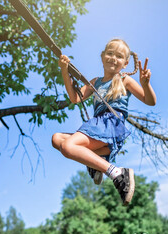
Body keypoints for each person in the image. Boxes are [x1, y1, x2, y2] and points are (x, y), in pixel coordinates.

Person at [51, 39, 156, 206]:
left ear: (126, 63)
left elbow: (150, 101)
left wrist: (146, 84)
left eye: (119, 56)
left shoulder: (124, 80)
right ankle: (98, 160)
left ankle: (117, 173)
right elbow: (75, 98)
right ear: (102, 57)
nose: (113, 58)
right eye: (110, 53)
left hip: (110, 126)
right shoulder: (95, 82)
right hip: (98, 127)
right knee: (57, 139)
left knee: (68, 147)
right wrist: (64, 71)